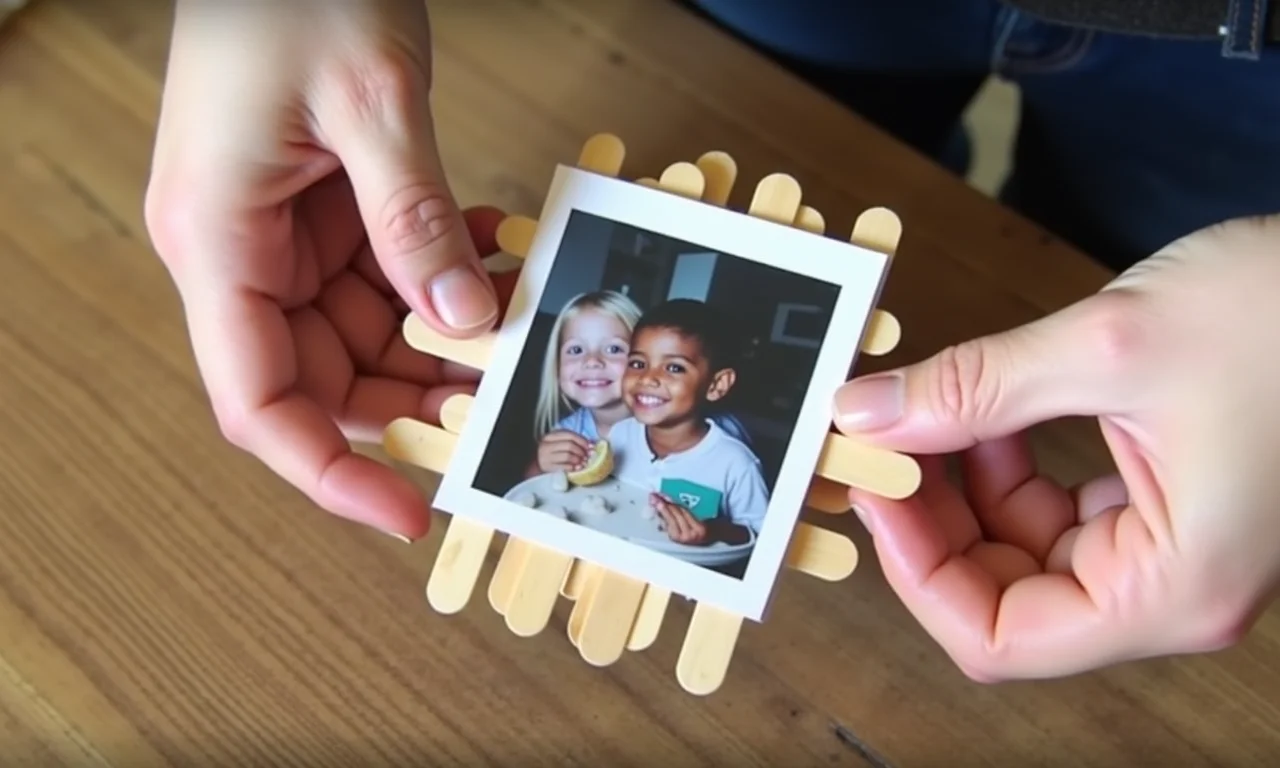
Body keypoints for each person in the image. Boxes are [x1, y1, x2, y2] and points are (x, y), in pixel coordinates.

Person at [143, 0, 1280, 682]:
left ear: (719, 380)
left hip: (1230, 58)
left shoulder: (734, 457)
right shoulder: (588, 427)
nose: (636, 382)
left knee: (1087, 259)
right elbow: (588, 499)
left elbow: (721, 521)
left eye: (666, 369)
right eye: (636, 364)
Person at [529, 289, 752, 477]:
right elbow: (528, 492)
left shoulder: (720, 435)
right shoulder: (567, 433)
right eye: (576, 350)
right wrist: (541, 466)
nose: (592, 361)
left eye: (614, 349)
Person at [607, 299, 769, 547]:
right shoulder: (619, 434)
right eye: (638, 364)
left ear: (716, 385)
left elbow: (761, 535)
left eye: (674, 367)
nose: (648, 378)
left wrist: (712, 531)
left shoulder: (736, 463)